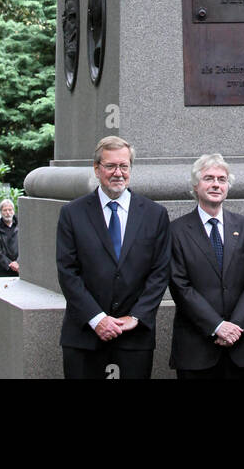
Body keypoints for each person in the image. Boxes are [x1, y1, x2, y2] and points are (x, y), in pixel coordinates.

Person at [56, 135, 171, 379]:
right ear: (97, 169)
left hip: (134, 338)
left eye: (124, 166)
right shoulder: (72, 214)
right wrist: (97, 319)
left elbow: (159, 273)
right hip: (84, 337)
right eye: (110, 166)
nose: (118, 173)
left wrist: (135, 317)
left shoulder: (155, 214)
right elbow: (68, 272)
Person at [168, 152, 244, 380]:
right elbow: (180, 286)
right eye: (208, 178)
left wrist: (234, 327)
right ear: (195, 185)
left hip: (239, 344)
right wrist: (217, 326)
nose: (216, 184)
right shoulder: (176, 231)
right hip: (195, 345)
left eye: (222, 179)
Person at [0, 200, 19, 276]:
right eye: (5, 210)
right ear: (1, 212)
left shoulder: (22, 227)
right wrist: (10, 264)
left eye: (10, 210)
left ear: (14, 211)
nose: (8, 213)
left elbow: (27, 246)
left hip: (20, 268)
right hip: (3, 269)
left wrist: (18, 262)